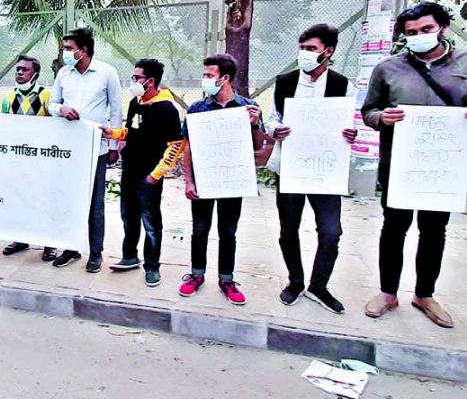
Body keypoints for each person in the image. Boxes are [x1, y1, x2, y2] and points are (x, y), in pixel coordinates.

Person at [361, 2, 467, 328]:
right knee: (393, 229)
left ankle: (424, 295)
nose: (418, 36)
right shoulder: (387, 68)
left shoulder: (464, 64)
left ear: (442, 28)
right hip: (398, 164)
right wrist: (382, 118)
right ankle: (387, 293)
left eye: (425, 30)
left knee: (434, 231)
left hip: (444, 166)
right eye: (411, 33)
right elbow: (369, 111)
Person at [265, 24, 358, 314]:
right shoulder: (285, 82)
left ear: (328, 52)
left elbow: (349, 123)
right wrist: (275, 130)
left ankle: (319, 285)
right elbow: (272, 119)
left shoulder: (343, 85)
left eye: (311, 49)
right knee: (287, 229)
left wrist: (350, 134)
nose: (303, 54)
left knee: (331, 232)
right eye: (302, 48)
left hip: (326, 171)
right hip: (291, 169)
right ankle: (295, 281)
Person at [179, 53, 265, 306]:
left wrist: (255, 123)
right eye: (204, 74)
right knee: (199, 229)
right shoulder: (197, 109)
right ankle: (196, 275)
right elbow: (188, 148)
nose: (204, 80)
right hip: (204, 180)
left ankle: (226, 279)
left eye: (209, 75)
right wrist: (189, 181)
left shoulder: (247, 107)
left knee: (228, 231)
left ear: (225, 78)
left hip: (232, 181)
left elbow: (259, 149)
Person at [47, 27, 123, 273]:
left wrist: (114, 145)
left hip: (96, 147)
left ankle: (96, 252)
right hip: (68, 147)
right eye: (65, 48)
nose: (66, 52)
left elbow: (116, 111)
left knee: (95, 203)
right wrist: (61, 110)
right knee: (69, 200)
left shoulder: (106, 72)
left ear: (84, 50)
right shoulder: (63, 73)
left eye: (69, 48)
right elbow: (52, 103)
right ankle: (71, 248)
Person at [102, 59, 183, 287]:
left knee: (151, 222)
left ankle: (152, 267)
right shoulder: (135, 102)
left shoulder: (167, 108)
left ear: (150, 81)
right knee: (128, 216)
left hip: (149, 175)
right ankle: (129, 255)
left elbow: (176, 144)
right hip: (129, 170)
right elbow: (132, 131)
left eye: (137, 78)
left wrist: (157, 174)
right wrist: (114, 133)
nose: (133, 81)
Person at [0, 55, 58, 261]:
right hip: (18, 160)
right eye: (18, 69)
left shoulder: (47, 96)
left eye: (25, 70)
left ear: (36, 74)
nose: (20, 73)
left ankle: (50, 244)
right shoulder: (8, 98)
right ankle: (21, 238)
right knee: (19, 200)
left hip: (42, 160)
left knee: (44, 201)